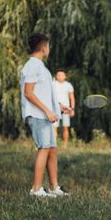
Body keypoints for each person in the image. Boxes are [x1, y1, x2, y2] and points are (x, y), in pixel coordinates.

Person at [20, 33, 70, 197]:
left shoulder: (40, 67)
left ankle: (54, 187)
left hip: (45, 115)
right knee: (44, 148)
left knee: (52, 149)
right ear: (43, 47)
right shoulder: (33, 66)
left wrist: (59, 107)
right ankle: (36, 189)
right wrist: (48, 111)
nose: (49, 49)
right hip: (38, 116)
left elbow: (43, 94)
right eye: (48, 46)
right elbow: (28, 93)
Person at [52, 69, 75, 148]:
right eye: (58, 75)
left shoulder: (68, 85)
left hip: (66, 109)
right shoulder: (53, 84)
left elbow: (72, 98)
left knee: (65, 127)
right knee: (54, 127)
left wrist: (72, 109)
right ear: (56, 76)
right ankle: (54, 145)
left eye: (62, 75)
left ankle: (65, 145)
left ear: (65, 76)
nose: (60, 76)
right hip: (55, 109)